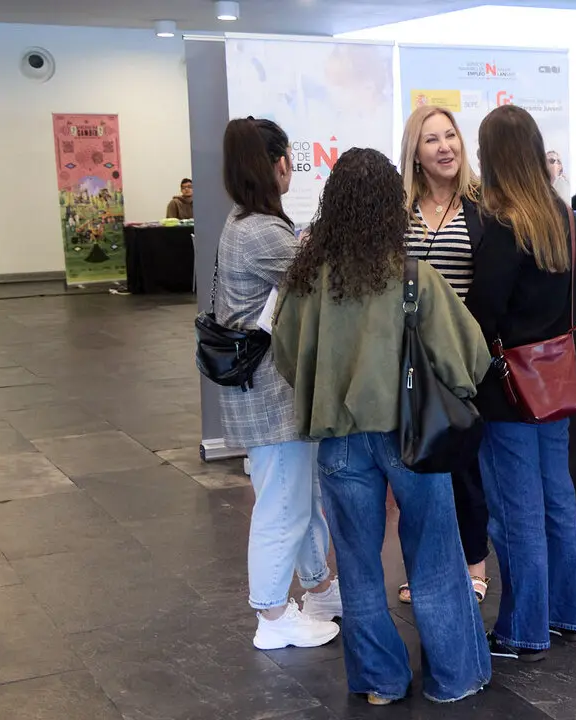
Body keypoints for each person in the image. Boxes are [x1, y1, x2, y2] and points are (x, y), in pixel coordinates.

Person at [273, 147, 492, 705]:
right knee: (435, 555)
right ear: (391, 206)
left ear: (333, 204)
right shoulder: (414, 277)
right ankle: (454, 678)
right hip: (412, 436)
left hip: (339, 442)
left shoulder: (307, 281)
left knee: (357, 565)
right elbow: (469, 359)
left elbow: (287, 357)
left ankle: (380, 682)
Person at [465, 105, 576, 663]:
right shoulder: (559, 214)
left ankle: (523, 629)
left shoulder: (504, 225)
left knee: (517, 512)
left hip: (508, 386)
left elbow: (482, 312)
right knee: (557, 499)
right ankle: (569, 612)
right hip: (555, 374)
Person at [215, 117, 340, 650]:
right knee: (282, 507)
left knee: (298, 496)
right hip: (271, 395)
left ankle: (320, 588)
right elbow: (321, 284)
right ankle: (271, 614)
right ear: (278, 164)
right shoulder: (262, 232)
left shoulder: (247, 222)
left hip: (269, 391)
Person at [396, 105, 492, 607]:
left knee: (465, 467)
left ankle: (475, 565)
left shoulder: (481, 205)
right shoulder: (400, 211)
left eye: (450, 136)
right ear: (415, 152)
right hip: (411, 359)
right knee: (417, 470)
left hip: (463, 357)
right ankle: (425, 567)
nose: (444, 147)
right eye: (431, 139)